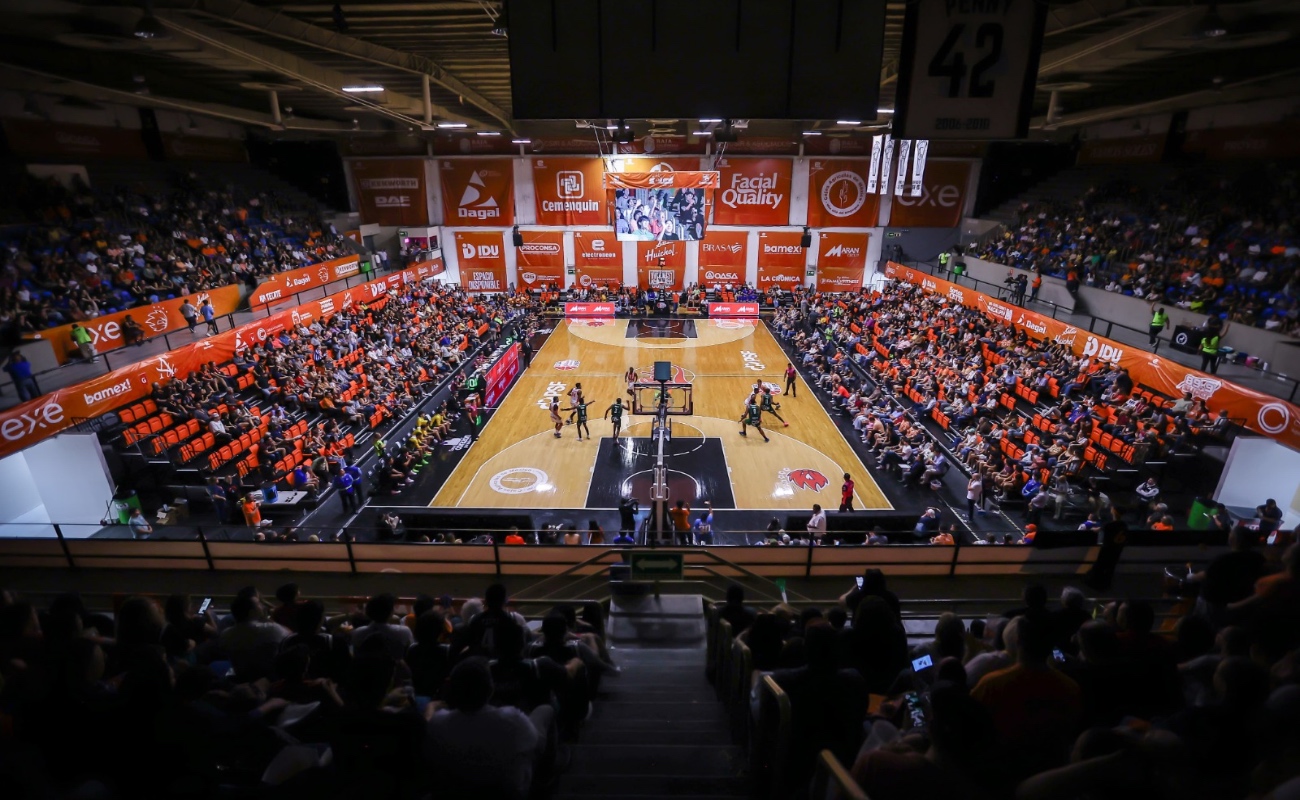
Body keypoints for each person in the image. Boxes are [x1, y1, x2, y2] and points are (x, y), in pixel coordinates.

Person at [424, 657, 546, 800]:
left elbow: (428, 725)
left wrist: (430, 707)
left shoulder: (438, 723)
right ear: (490, 688)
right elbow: (536, 744)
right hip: (508, 793)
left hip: (455, 791)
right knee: (545, 710)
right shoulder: (512, 719)